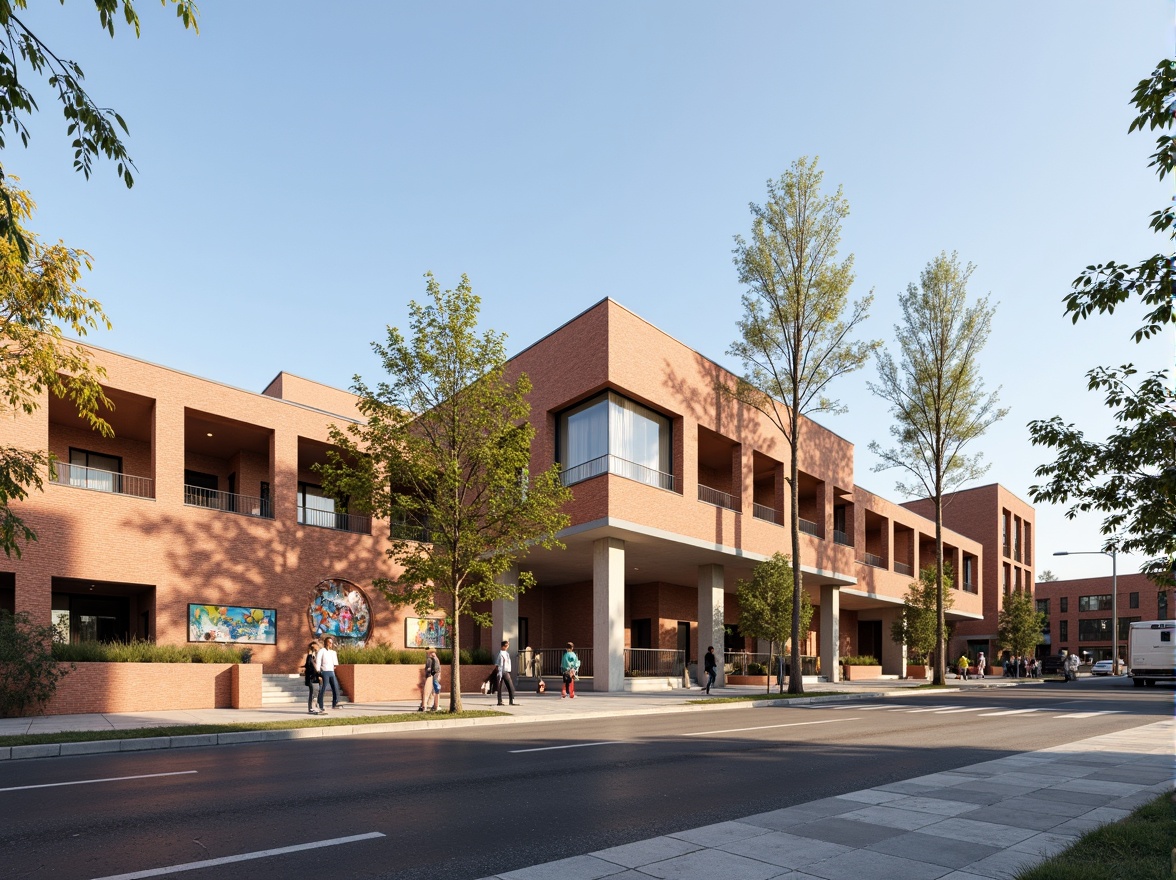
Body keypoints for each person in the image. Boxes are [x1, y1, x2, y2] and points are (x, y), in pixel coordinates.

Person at [316, 636, 340, 711]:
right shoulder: (322, 651)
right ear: (326, 642)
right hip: (325, 671)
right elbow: (318, 661)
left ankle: (335, 703)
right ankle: (320, 704)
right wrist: (318, 671)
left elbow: (335, 663)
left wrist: (334, 666)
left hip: (331, 672)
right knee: (324, 688)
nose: (331, 644)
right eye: (329, 642)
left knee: (335, 687)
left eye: (331, 642)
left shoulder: (333, 652)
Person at [303, 640, 323, 715]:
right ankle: (311, 708)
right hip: (312, 678)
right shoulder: (310, 657)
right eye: (315, 647)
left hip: (315, 679)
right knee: (312, 694)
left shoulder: (314, 657)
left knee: (316, 694)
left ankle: (315, 707)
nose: (317, 648)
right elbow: (310, 667)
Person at [419, 646, 440, 712]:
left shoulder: (430, 658)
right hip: (433, 676)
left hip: (431, 675)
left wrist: (429, 674)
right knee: (435, 690)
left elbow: (430, 668)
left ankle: (426, 706)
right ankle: (434, 706)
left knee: (431, 690)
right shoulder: (434, 658)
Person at [496, 639, 516, 706]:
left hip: (506, 671)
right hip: (502, 671)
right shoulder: (500, 654)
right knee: (500, 687)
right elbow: (498, 664)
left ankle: (511, 700)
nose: (507, 647)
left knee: (510, 686)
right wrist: (499, 673)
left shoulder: (507, 654)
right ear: (503, 646)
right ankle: (500, 701)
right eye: (507, 646)